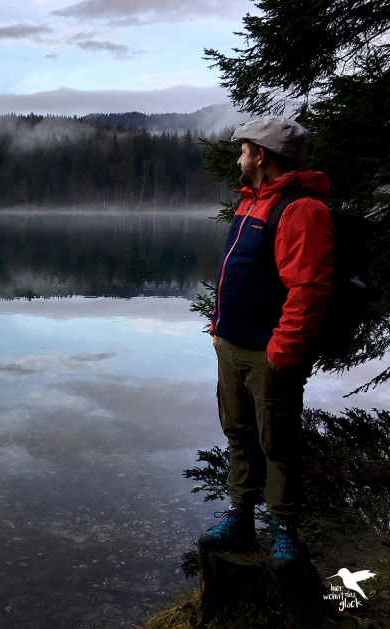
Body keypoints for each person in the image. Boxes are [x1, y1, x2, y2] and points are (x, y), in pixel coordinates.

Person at [199, 117, 335, 569]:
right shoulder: (250, 204)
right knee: (238, 432)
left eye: (243, 150)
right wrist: (220, 325)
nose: (239, 157)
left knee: (277, 439)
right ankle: (240, 516)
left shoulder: (301, 210)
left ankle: (283, 530)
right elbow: (238, 275)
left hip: (268, 352)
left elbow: (308, 289)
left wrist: (282, 351)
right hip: (231, 344)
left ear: (261, 155)